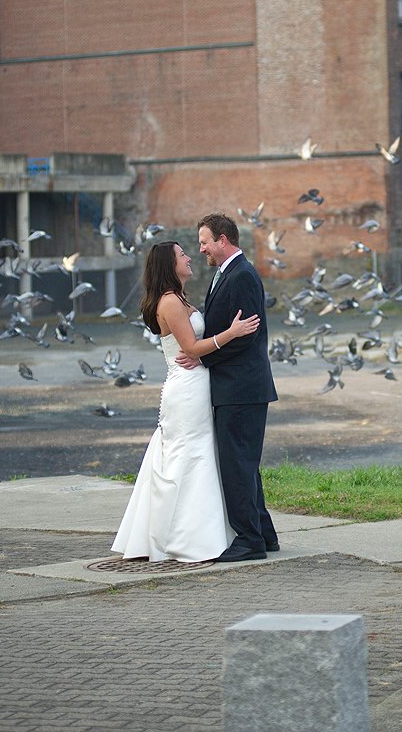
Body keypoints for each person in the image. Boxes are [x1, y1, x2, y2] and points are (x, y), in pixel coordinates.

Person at [111, 241, 260, 562]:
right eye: (182, 255)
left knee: (202, 453)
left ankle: (207, 532)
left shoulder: (179, 299)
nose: (190, 257)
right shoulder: (169, 303)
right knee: (190, 455)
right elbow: (191, 349)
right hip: (186, 389)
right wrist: (231, 333)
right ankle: (185, 536)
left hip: (197, 384)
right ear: (169, 264)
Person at [176, 213, 278, 562]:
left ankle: (249, 540)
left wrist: (203, 358)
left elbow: (245, 336)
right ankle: (263, 534)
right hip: (237, 387)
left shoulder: (243, 275)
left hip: (242, 388)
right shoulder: (227, 273)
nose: (201, 248)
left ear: (223, 240)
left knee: (237, 464)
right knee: (244, 463)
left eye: (205, 241)